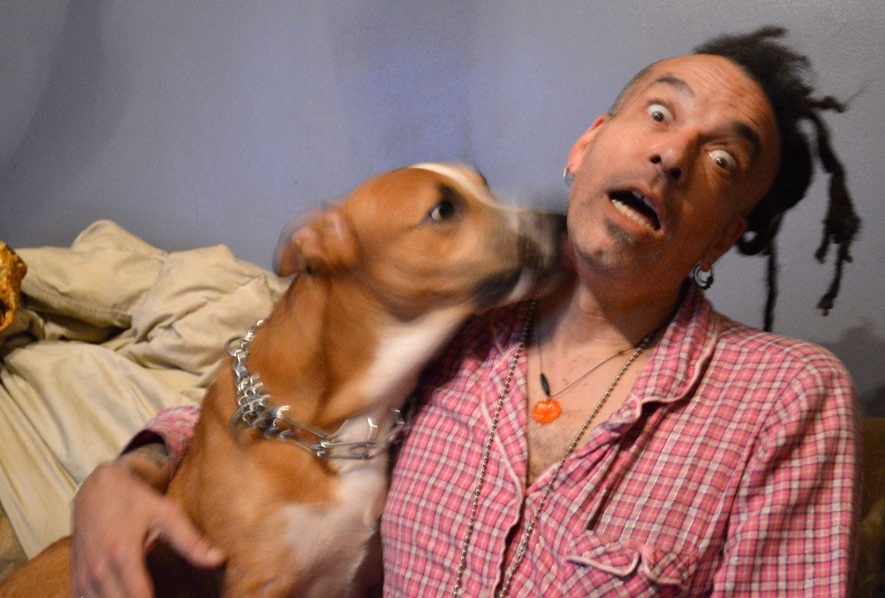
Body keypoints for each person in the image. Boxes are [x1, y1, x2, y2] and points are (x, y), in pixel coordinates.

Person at [70, 26, 861, 596]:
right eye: (659, 114)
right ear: (588, 144)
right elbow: (276, 403)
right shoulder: (454, 327)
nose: (673, 153)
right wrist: (124, 475)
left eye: (723, 158)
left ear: (720, 239)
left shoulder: (784, 396)